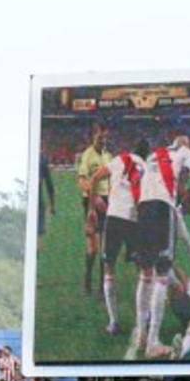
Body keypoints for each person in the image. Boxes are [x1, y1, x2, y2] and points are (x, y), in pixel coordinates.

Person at [131, 134, 190, 359]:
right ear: (184, 144)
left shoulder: (154, 155)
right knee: (162, 274)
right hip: (163, 209)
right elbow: (182, 184)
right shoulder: (185, 152)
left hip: (142, 208)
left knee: (145, 274)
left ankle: (141, 335)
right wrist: (179, 201)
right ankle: (153, 342)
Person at [88, 138, 148, 336]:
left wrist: (92, 208)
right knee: (143, 269)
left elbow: (95, 178)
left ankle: (114, 322)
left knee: (109, 268)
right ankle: (144, 318)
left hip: (114, 217)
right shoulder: (147, 167)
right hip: (134, 219)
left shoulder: (120, 159)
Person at [77, 123, 111, 294]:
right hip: (91, 202)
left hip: (107, 202)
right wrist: (94, 196)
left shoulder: (108, 156)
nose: (103, 141)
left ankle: (101, 288)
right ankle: (87, 281)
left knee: (106, 248)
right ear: (93, 137)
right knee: (93, 247)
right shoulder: (87, 156)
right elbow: (81, 181)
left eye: (105, 137)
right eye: (100, 138)